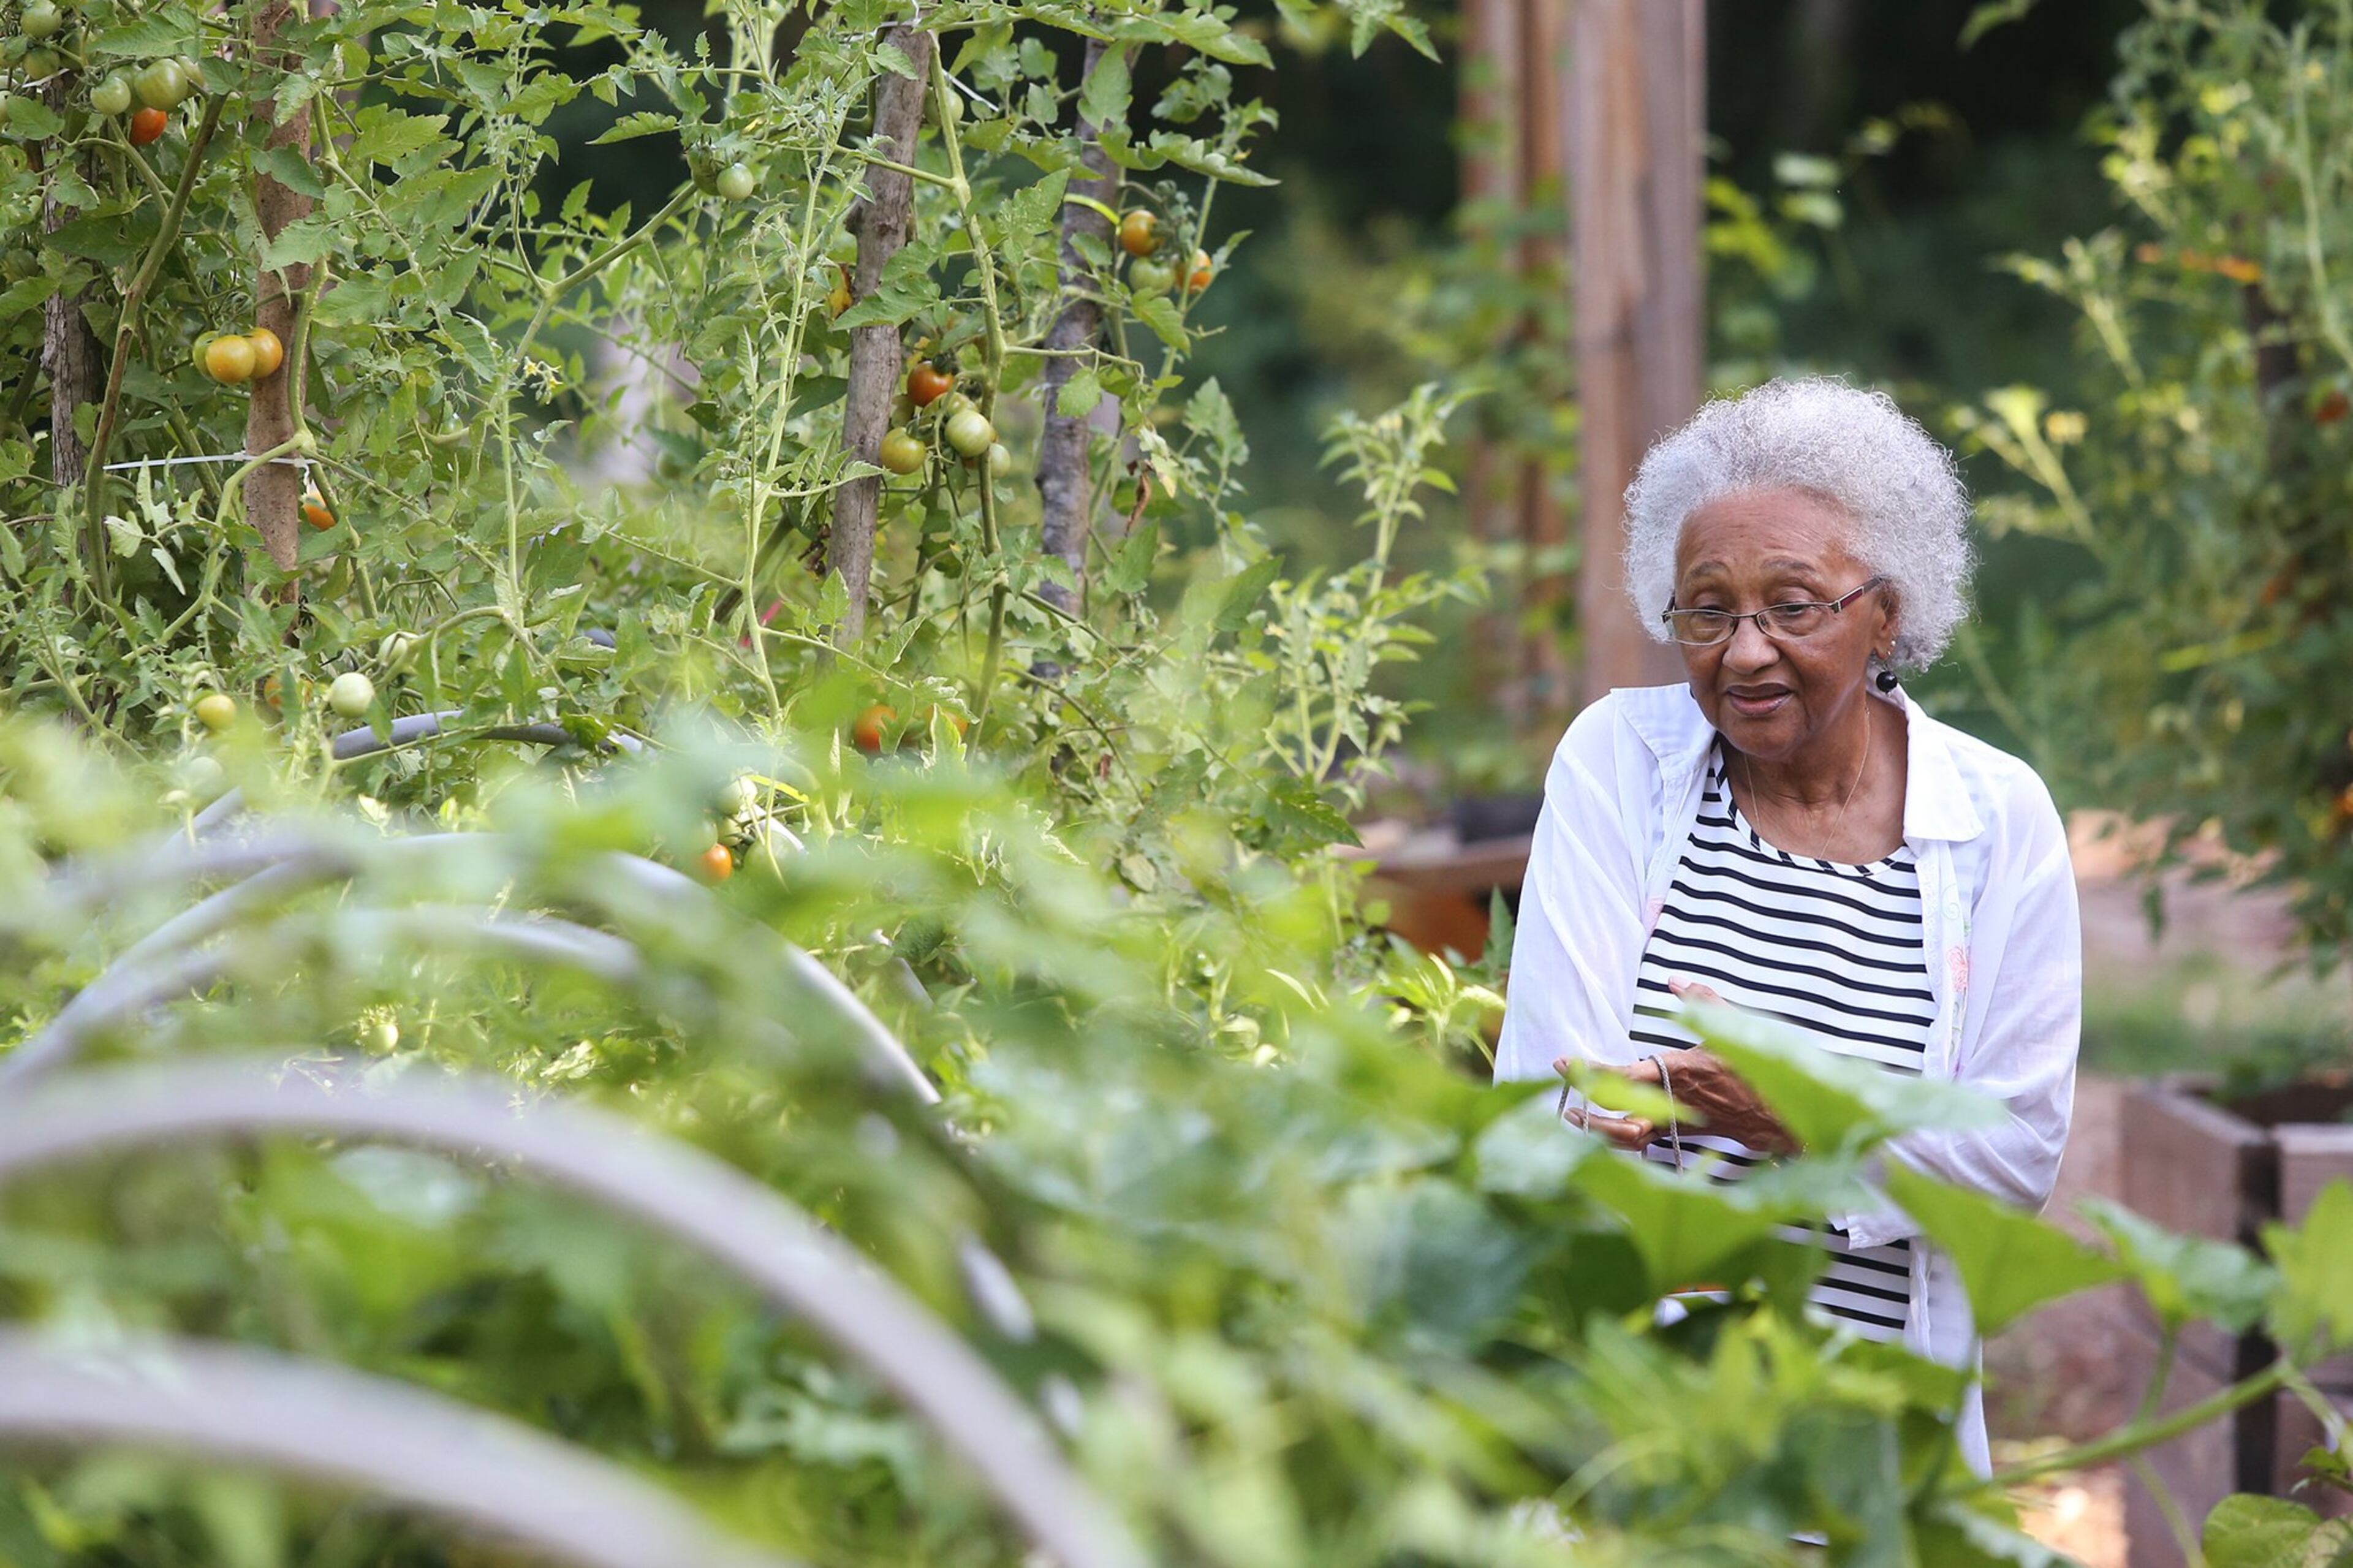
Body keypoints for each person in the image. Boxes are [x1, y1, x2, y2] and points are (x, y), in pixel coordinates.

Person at [1493, 377, 2080, 1475]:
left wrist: (1792, 1116)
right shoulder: (1619, 763)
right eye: (1707, 611)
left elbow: (2010, 1162)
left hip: (1871, 1464)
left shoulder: (1998, 824)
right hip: (1632, 1460)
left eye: (1794, 607)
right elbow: (1549, 1101)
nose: (1745, 651)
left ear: (1887, 614)